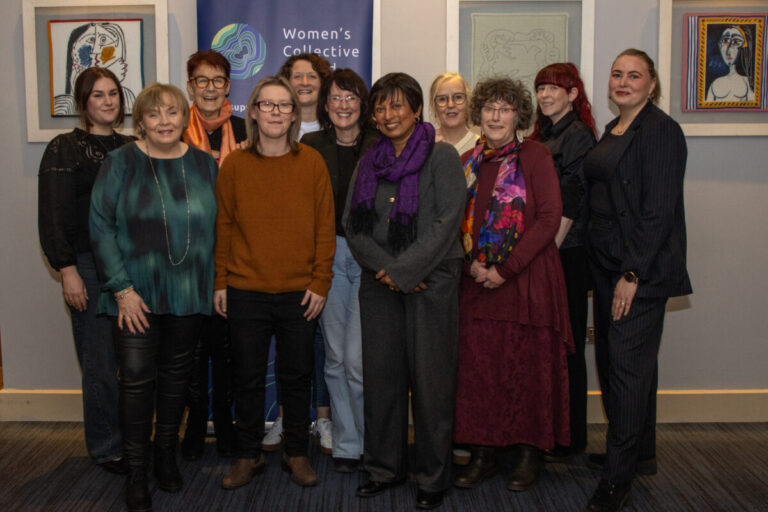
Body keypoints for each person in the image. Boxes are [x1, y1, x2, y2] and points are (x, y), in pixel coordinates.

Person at [89, 83, 218, 512]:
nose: (164, 122)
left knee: (177, 381)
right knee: (138, 382)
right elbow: (100, 227)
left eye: (172, 113)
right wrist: (122, 289)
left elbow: (223, 227)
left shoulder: (205, 165)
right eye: (154, 114)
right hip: (135, 295)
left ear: (185, 117)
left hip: (188, 292)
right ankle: (138, 470)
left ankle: (166, 455)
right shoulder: (120, 162)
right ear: (140, 121)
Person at [345, 72, 466, 510]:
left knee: (432, 383)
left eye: (398, 105)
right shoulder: (368, 161)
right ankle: (384, 468)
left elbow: (446, 222)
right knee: (382, 380)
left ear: (416, 109)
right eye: (380, 106)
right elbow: (353, 229)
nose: (388, 114)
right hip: (380, 285)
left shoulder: (442, 156)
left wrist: (407, 269)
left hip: (433, 282)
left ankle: (433, 478)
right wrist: (389, 270)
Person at [582, 49, 691, 512]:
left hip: (637, 273)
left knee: (626, 372)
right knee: (623, 365)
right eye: (617, 74)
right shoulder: (615, 128)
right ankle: (639, 452)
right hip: (609, 267)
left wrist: (633, 274)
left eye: (634, 76)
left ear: (652, 84)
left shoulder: (662, 132)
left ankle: (617, 479)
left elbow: (657, 212)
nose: (623, 82)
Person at [452, 77, 573, 493]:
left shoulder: (535, 155)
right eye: (489, 109)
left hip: (527, 280)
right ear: (479, 115)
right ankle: (484, 454)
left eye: (505, 109)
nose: (496, 116)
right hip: (475, 284)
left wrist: (506, 269)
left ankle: (528, 455)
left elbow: (549, 218)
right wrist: (472, 268)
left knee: (527, 370)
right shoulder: (467, 160)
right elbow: (451, 223)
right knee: (479, 371)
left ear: (519, 115)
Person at [215, 76, 334, 489]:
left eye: (285, 105)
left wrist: (320, 282)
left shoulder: (312, 163)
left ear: (295, 113)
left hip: (300, 292)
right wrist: (220, 282)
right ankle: (249, 456)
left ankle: (297, 453)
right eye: (268, 105)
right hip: (246, 290)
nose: (277, 112)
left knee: (297, 377)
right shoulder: (235, 164)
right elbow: (224, 226)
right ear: (253, 111)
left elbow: (325, 228)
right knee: (246, 376)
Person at [38, 67, 133, 475]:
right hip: (87, 267)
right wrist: (67, 269)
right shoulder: (64, 148)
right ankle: (108, 447)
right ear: (83, 102)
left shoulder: (135, 146)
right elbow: (53, 216)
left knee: (134, 364)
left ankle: (135, 441)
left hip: (132, 268)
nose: (108, 101)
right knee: (99, 362)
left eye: (113, 93)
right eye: (98, 95)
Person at [300, 68, 378, 473]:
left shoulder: (380, 145)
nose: (343, 105)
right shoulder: (310, 146)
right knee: (332, 357)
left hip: (368, 259)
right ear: (324, 105)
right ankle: (348, 445)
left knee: (355, 359)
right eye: (336, 98)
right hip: (327, 257)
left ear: (363, 104)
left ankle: (371, 441)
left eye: (351, 98)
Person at [264, 52, 334, 453]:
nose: (304, 82)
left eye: (312, 76)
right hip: (283, 256)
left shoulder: (334, 127)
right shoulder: (271, 130)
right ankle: (288, 418)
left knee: (323, 343)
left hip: (326, 252)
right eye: (296, 76)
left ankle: (322, 419)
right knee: (288, 348)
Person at [180, 49, 246, 461]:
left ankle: (224, 423)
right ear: (190, 86)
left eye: (217, 80)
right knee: (189, 350)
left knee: (226, 350)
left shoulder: (244, 129)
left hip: (232, 255)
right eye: (201, 81)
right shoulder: (174, 131)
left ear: (228, 86)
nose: (209, 88)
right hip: (186, 259)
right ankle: (195, 422)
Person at [530, 62, 597, 462]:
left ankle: (570, 439)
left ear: (573, 94)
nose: (545, 95)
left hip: (565, 254)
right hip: (545, 251)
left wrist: (546, 252)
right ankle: (549, 431)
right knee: (548, 345)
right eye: (540, 88)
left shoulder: (579, 135)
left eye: (554, 87)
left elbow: (572, 198)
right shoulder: (542, 135)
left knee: (569, 346)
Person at [429, 72, 478, 155]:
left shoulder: (480, 146)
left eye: (458, 97)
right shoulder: (423, 144)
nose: (450, 105)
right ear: (434, 106)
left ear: (468, 102)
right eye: (442, 99)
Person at [706, 26, 755, 102]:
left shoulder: (749, 84)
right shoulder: (715, 84)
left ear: (745, 47)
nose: (728, 48)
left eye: (735, 42)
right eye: (725, 40)